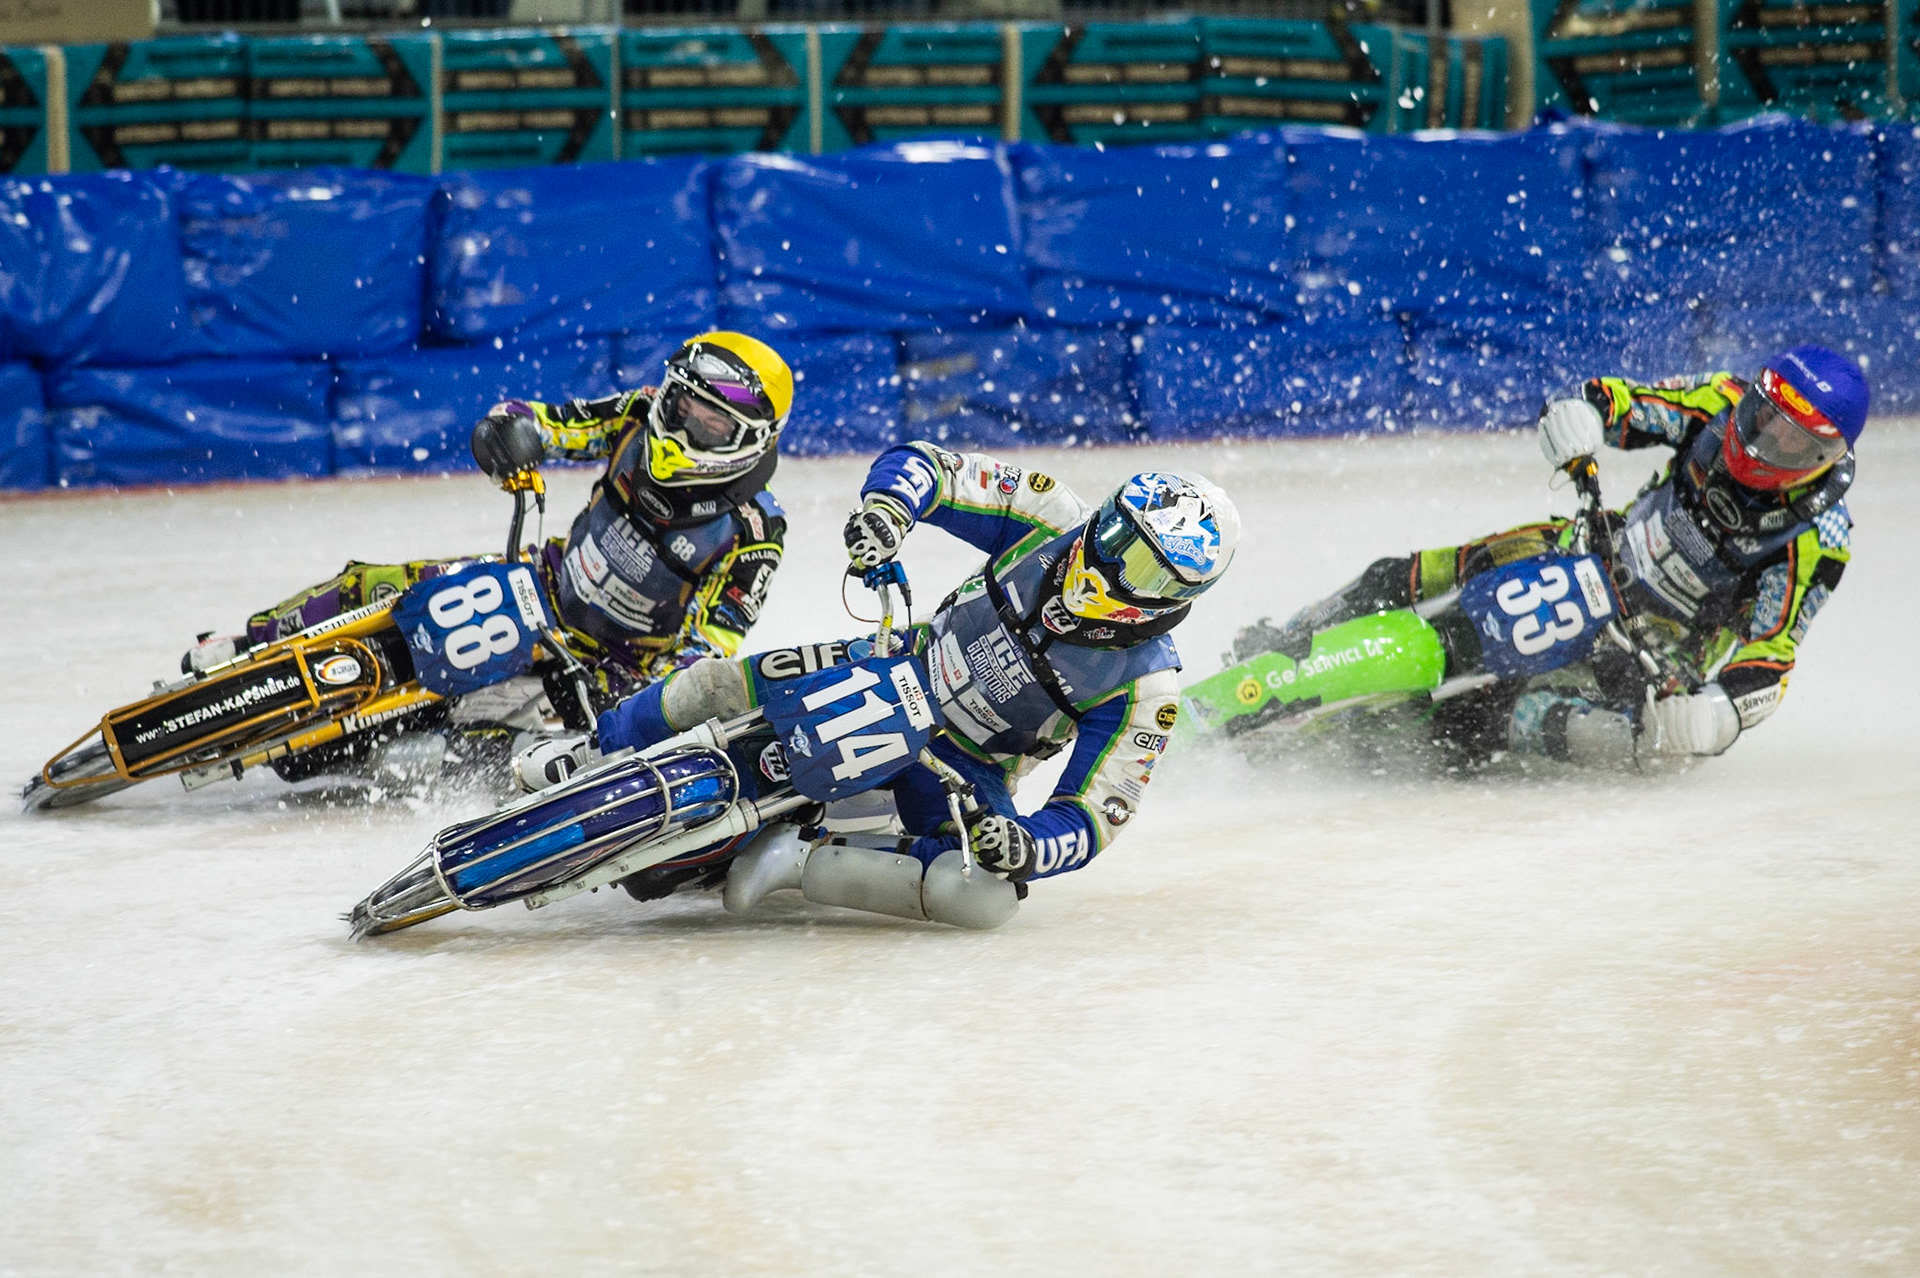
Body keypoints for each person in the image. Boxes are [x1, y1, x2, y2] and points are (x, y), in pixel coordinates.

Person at [530, 444, 1238, 928]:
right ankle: (596, 747)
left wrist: (1022, 843)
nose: (1107, 561)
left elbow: (1095, 814)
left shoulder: (1148, 686)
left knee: (985, 898)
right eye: (1116, 532)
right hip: (894, 658)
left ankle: (802, 864)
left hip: (964, 764)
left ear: (1176, 596)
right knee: (716, 682)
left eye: (1140, 568)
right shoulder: (1049, 515)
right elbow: (931, 467)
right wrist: (888, 514)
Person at [182, 331, 793, 780]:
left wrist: (636, 703)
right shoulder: (638, 414)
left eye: (709, 424)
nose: (683, 428)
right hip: (542, 584)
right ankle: (249, 648)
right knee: (379, 586)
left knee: (479, 746)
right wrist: (509, 430)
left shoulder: (753, 530)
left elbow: (706, 653)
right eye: (682, 405)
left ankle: (357, 749)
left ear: (749, 440)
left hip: (609, 669)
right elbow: (550, 423)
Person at [1233, 344, 1864, 769]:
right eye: (1762, 417)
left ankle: (1344, 753)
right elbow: (1625, 404)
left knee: (1513, 721)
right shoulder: (1719, 401)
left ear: (1824, 457)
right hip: (1597, 546)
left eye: (1789, 440)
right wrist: (1581, 417)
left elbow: (1772, 651)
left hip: (1655, 650)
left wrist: (1722, 712)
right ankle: (1288, 638)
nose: (1760, 440)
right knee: (1420, 571)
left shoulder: (1817, 538)